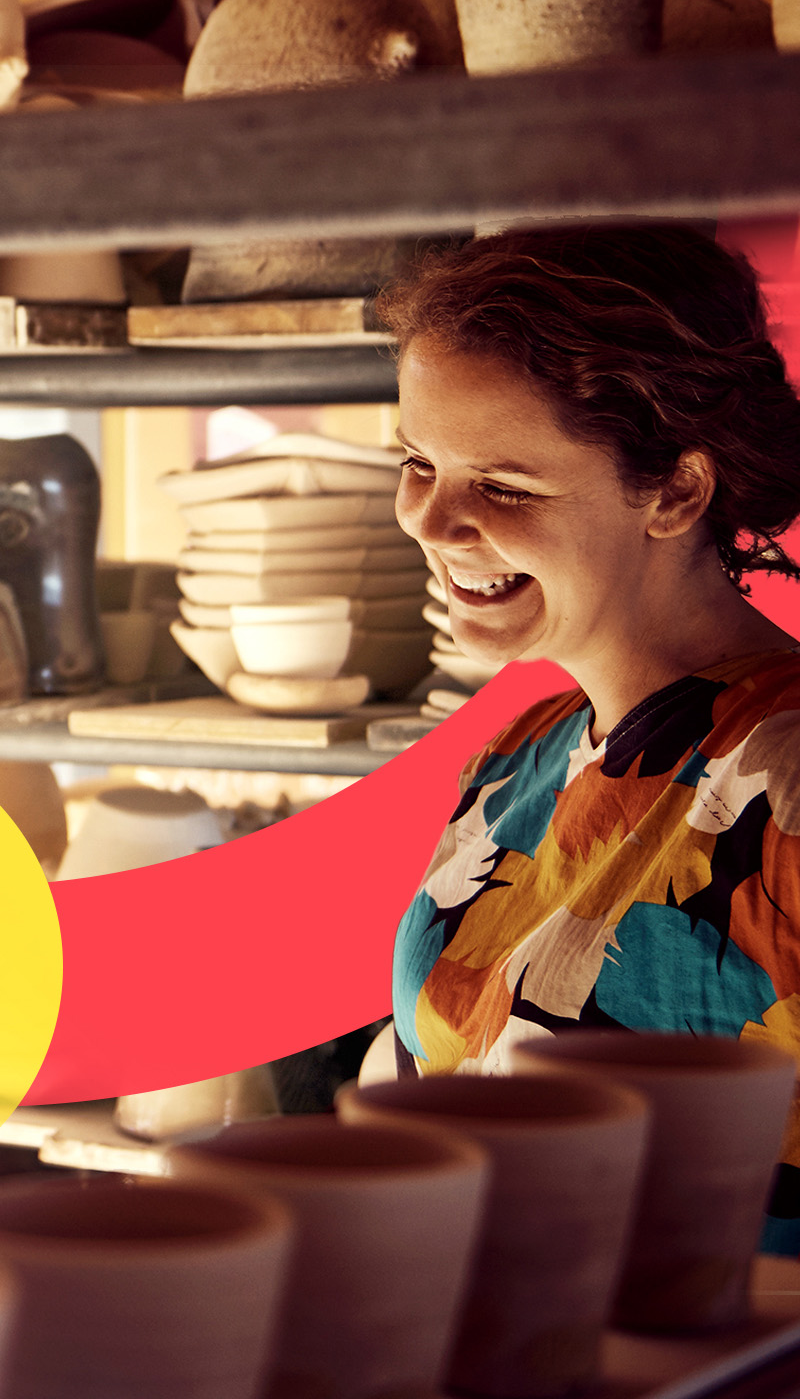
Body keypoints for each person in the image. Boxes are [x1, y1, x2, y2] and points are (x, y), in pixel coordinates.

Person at [383, 223, 800, 1249]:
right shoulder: (519, 757)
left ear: (676, 491)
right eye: (417, 461)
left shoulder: (788, 778)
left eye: (504, 485)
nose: (431, 523)